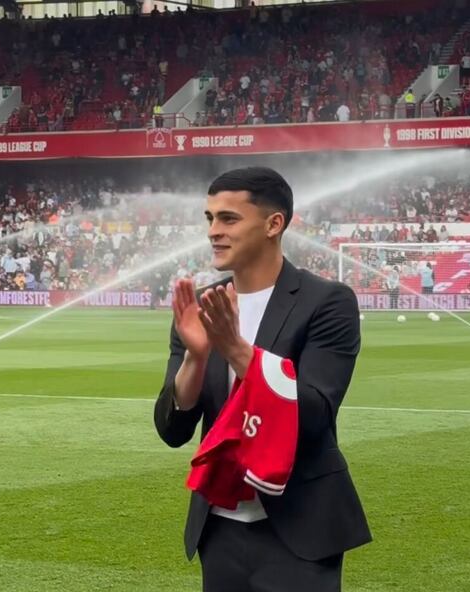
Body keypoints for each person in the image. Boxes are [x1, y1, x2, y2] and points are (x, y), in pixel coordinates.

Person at [154, 167, 371, 592]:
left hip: (300, 528)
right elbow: (172, 429)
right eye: (209, 218)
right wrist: (196, 359)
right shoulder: (203, 306)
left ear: (274, 224)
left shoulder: (327, 302)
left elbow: (313, 414)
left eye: (229, 219)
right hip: (218, 527)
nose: (214, 231)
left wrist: (236, 350)